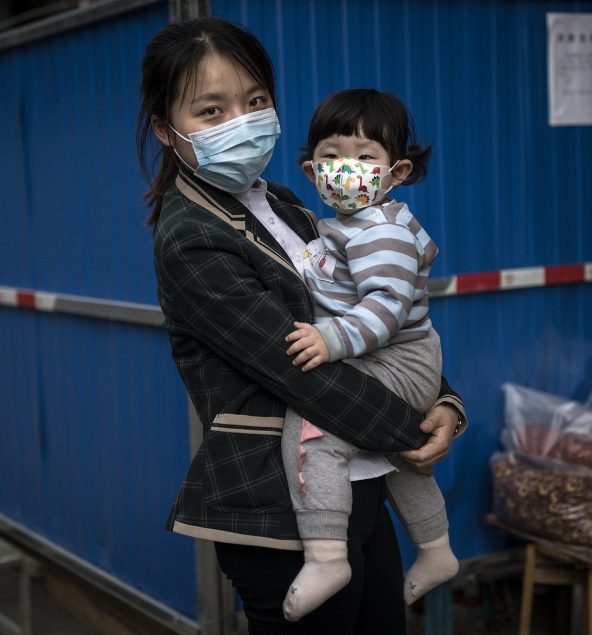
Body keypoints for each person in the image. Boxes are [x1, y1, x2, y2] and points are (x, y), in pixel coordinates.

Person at [136, 17, 467, 634]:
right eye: (211, 111)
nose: (241, 121)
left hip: (361, 474)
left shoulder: (286, 202)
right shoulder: (193, 240)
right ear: (165, 128)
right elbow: (300, 370)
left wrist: (444, 400)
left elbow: (370, 317)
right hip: (277, 505)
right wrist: (414, 427)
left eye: (255, 101)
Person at [279, 89, 459, 621]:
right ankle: (436, 548)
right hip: (405, 359)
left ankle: (328, 555)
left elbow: (385, 307)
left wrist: (330, 339)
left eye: (364, 157)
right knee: (402, 450)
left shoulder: (381, 231)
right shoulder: (349, 226)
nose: (346, 169)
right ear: (312, 172)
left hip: (396, 358)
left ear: (396, 172)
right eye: (331, 157)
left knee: (314, 424)